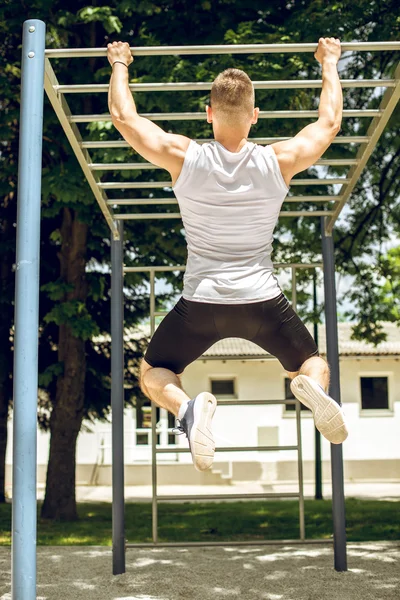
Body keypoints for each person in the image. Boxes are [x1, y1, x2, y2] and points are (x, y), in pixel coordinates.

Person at [107, 37, 348, 472]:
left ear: (209, 113)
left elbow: (125, 117)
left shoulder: (185, 156)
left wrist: (121, 63)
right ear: (255, 117)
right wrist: (329, 61)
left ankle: (186, 410)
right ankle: (310, 388)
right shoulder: (280, 160)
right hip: (263, 302)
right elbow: (329, 123)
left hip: (201, 302)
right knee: (312, 362)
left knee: (152, 373)